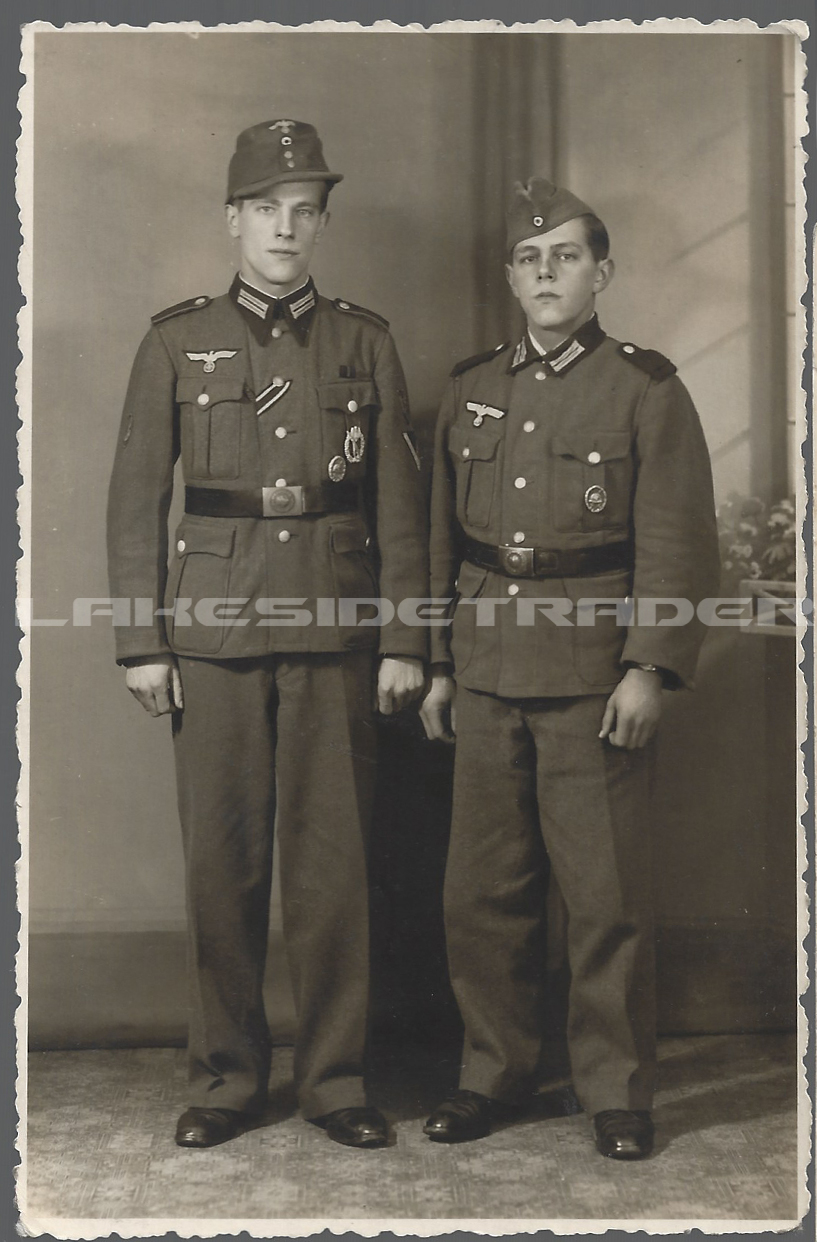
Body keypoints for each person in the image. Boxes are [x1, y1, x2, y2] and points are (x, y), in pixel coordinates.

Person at [107, 120, 428, 1150]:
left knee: (335, 871)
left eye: (305, 212)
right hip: (210, 631)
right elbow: (130, 504)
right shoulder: (174, 340)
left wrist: (406, 639)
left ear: (322, 223)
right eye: (267, 210)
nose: (287, 230)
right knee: (224, 866)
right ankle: (226, 1076)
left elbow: (401, 508)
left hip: (337, 625)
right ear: (232, 219)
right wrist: (141, 640)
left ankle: (336, 1080)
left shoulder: (364, 341)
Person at [419, 177, 719, 1159]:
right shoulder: (473, 386)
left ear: (603, 272)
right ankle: (490, 1074)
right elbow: (439, 542)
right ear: (512, 278)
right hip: (485, 666)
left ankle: (614, 1089)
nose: (547, 275)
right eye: (529, 259)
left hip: (594, 675)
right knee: (482, 895)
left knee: (603, 899)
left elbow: (677, 542)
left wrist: (649, 669)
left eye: (566, 257)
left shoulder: (643, 386)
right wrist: (437, 664)